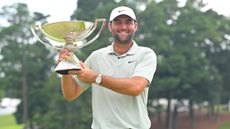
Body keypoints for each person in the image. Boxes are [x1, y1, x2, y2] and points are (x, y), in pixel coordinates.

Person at [58, 6, 157, 129]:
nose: (123, 27)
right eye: (118, 22)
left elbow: (136, 87)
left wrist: (96, 78)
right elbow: (70, 94)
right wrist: (66, 67)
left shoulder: (146, 54)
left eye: (128, 22)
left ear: (135, 26)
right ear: (110, 27)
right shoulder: (96, 56)